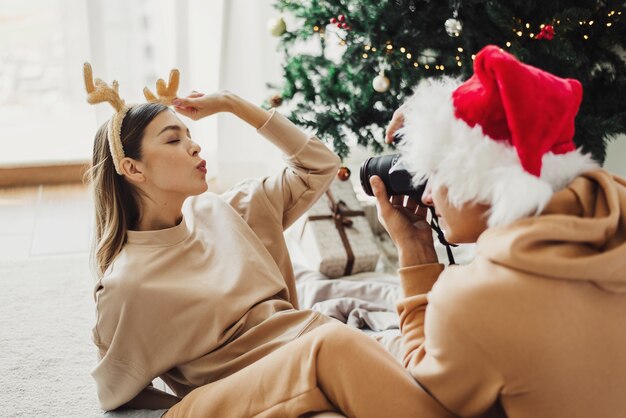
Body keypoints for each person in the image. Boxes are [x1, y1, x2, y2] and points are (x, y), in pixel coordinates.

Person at [83, 63, 452, 418]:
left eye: (190, 136)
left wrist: (232, 103)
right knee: (339, 352)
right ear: (132, 168)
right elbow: (116, 393)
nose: (195, 147)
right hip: (275, 380)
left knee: (449, 360)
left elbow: (318, 165)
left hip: (324, 347)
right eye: (174, 139)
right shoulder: (128, 284)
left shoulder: (225, 210)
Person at [368, 45, 626, 417]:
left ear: (480, 180)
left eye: (436, 173)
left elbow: (420, 396)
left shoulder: (475, 300)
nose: (425, 194)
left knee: (323, 348)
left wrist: (415, 255)